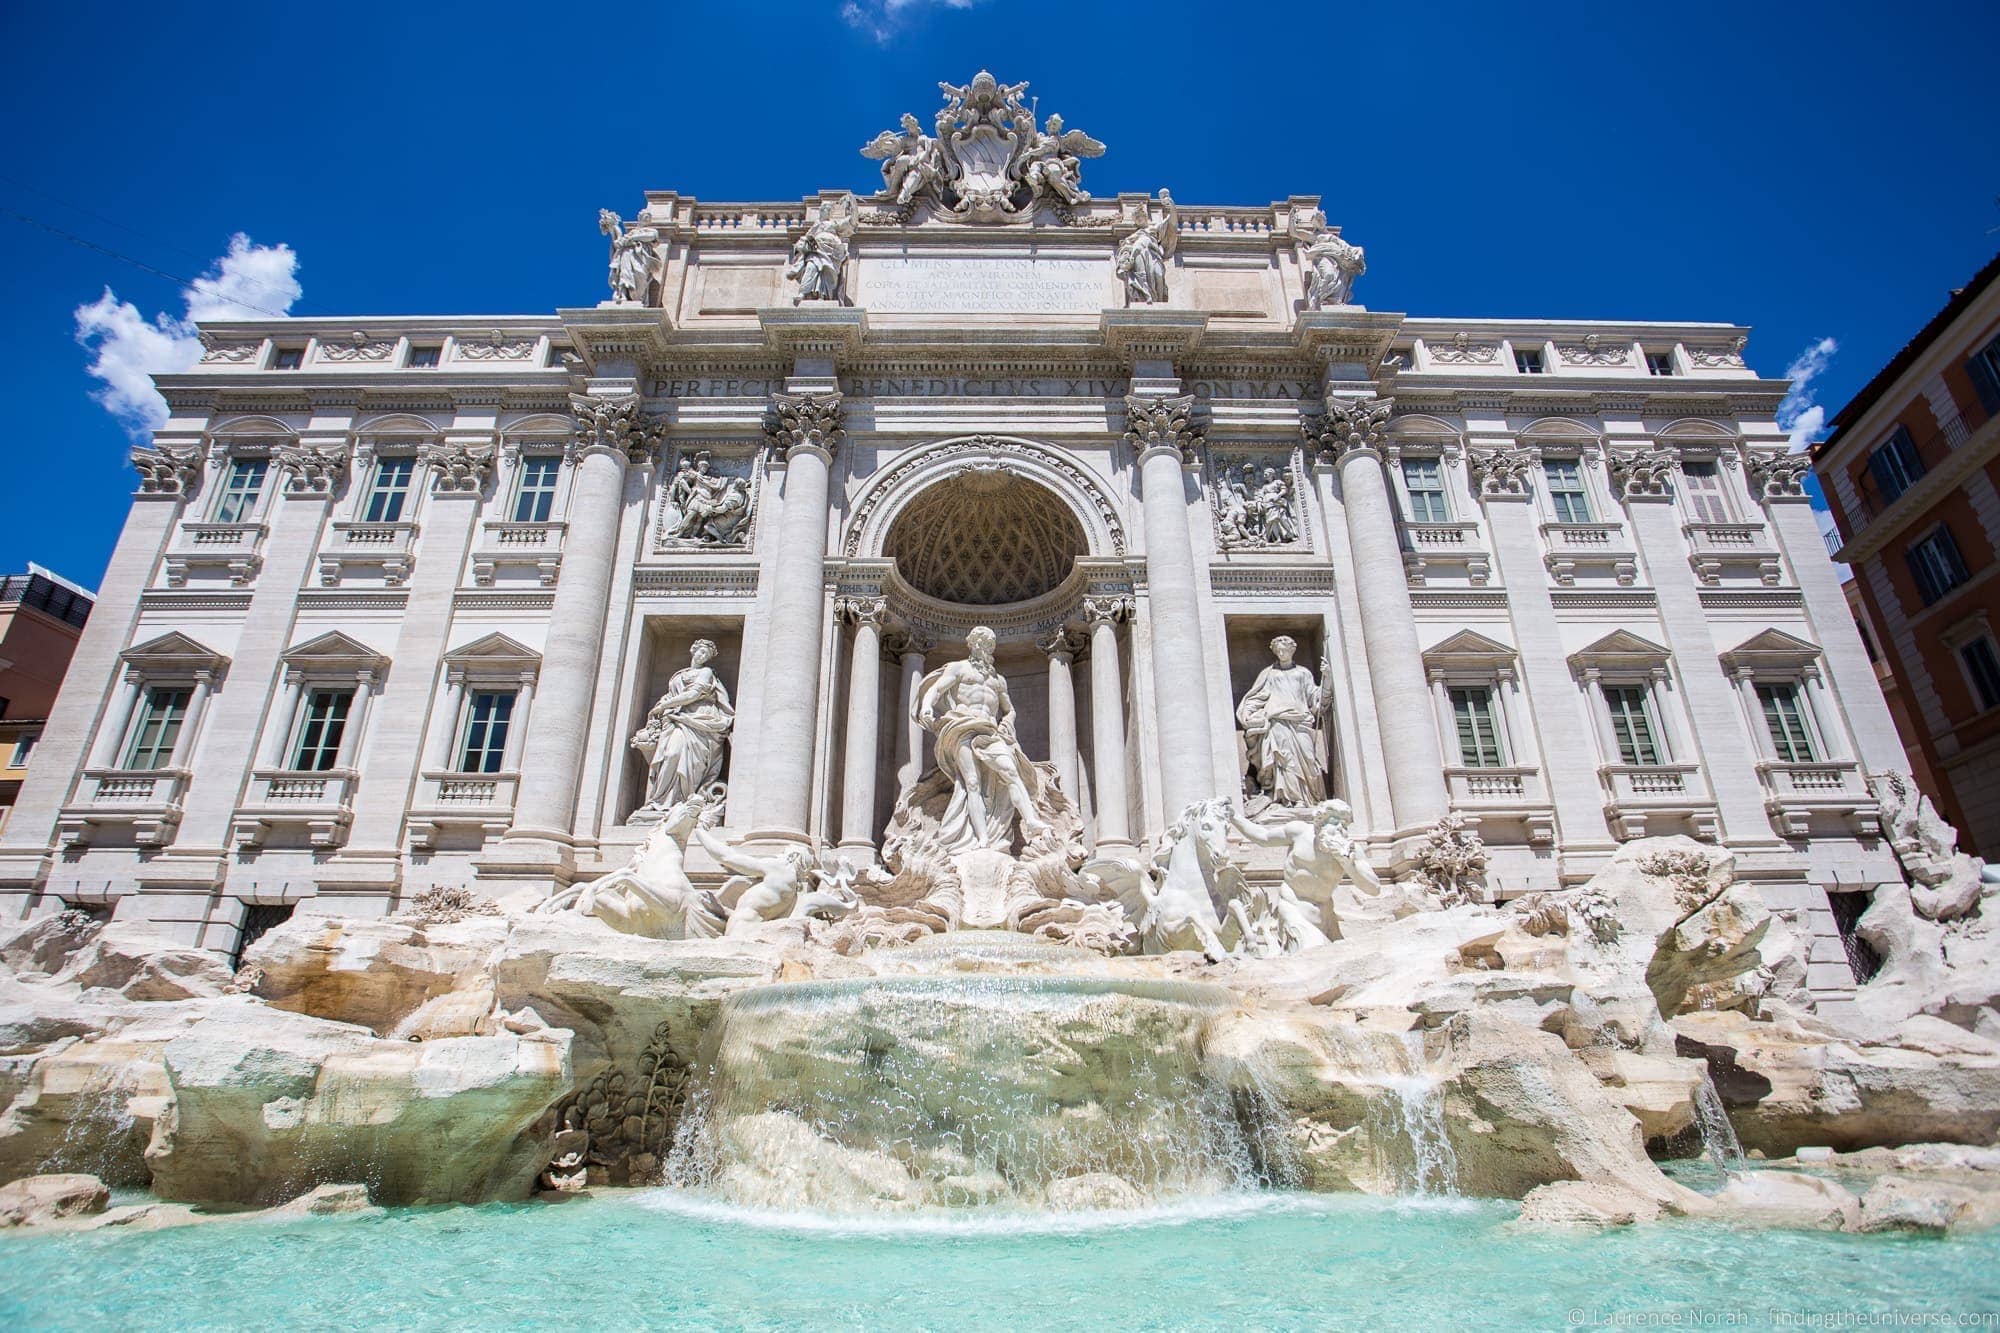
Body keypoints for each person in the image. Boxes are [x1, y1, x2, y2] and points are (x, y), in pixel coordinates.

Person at [914, 627, 1051, 852]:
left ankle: (1031, 820)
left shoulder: (998, 680)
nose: (985, 647)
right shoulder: (959, 668)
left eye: (989, 644)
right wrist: (927, 707)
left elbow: (1009, 710)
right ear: (972, 644)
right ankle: (983, 839)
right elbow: (936, 690)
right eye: (981, 643)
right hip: (962, 727)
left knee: (1010, 771)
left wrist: (1008, 722)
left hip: (990, 731)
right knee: (972, 783)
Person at [633, 640, 734, 811]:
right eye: (701, 652)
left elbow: (693, 694)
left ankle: (682, 801)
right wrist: (664, 704)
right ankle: (659, 801)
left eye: (706, 655)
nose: (702, 656)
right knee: (669, 755)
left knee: (676, 754)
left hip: (698, 720)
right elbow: (673, 694)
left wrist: (665, 705)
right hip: (674, 718)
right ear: (693, 650)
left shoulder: (706, 672)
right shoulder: (679, 675)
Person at [1236, 635, 1327, 809]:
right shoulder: (1269, 674)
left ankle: (1309, 798)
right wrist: (1247, 713)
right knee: (1284, 761)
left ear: (1292, 650)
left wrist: (1328, 678)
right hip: (1277, 722)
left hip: (1300, 721)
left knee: (1308, 759)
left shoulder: (1303, 673)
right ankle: (1289, 799)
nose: (1281, 653)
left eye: (1284, 649)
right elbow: (1257, 696)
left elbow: (1315, 698)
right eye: (1278, 650)